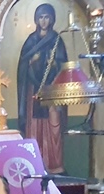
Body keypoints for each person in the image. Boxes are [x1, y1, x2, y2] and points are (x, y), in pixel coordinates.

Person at [18, 4, 67, 174]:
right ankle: (35, 164)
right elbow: (23, 64)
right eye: (41, 17)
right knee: (34, 126)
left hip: (52, 88)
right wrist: (31, 61)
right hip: (33, 89)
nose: (44, 21)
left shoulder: (57, 40)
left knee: (53, 124)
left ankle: (54, 165)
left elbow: (63, 65)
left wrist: (54, 64)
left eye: (47, 17)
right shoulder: (31, 40)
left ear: (52, 19)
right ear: (36, 20)